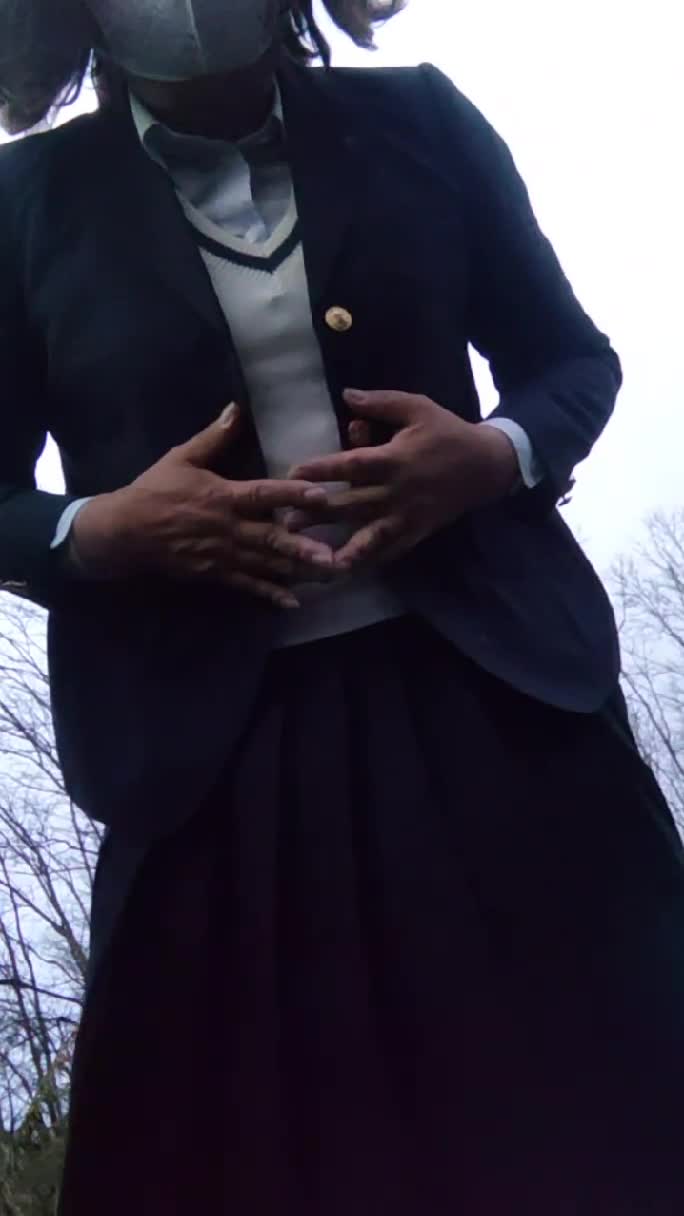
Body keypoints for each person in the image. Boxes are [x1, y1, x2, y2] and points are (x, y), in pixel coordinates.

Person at [1, 1, 684, 1212]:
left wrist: (496, 453)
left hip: (500, 713)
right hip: (208, 778)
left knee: (607, 1121)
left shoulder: (421, 119)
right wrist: (102, 528)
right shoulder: (25, 201)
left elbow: (571, 361)